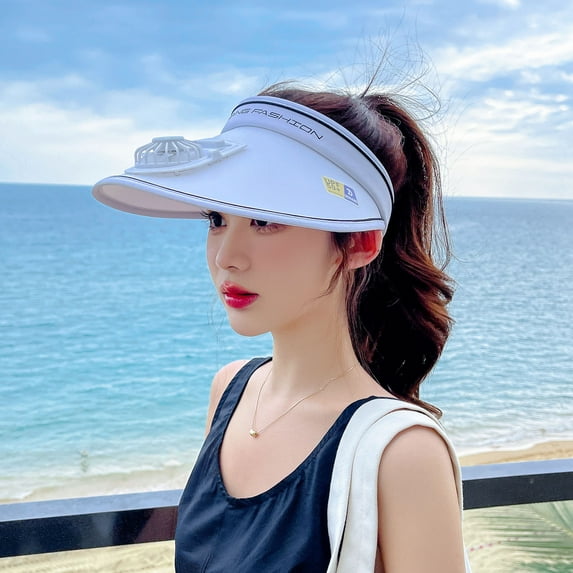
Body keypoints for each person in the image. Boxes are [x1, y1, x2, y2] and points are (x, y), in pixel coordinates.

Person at [93, 83, 470, 572]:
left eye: (265, 221)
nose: (227, 257)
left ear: (359, 241)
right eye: (216, 219)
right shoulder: (231, 390)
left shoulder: (404, 454)